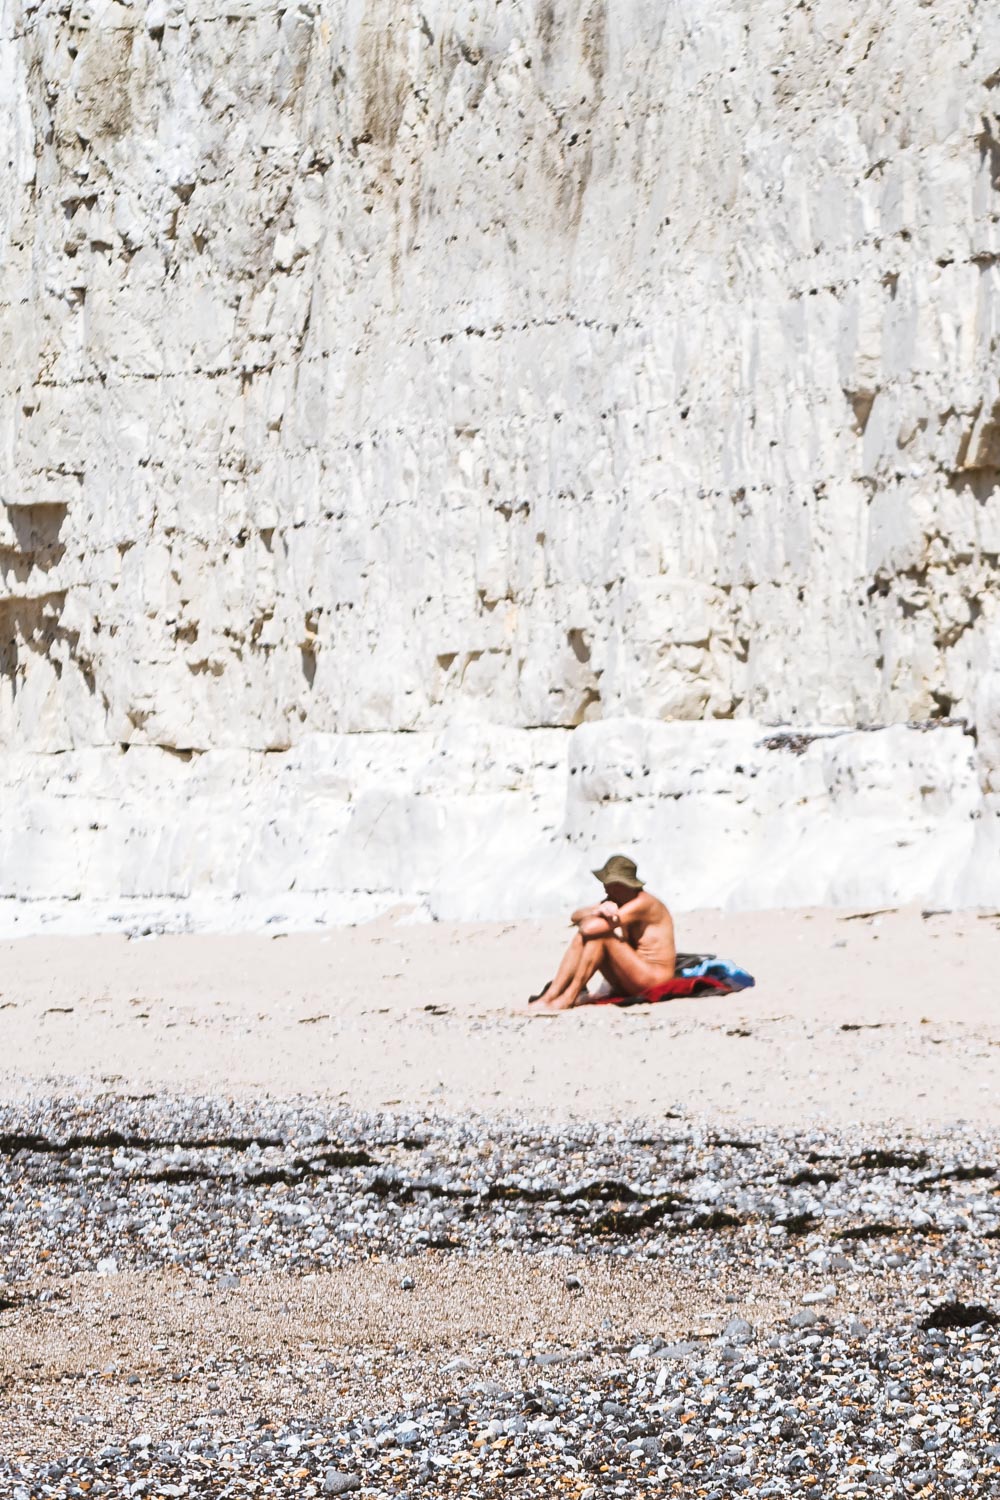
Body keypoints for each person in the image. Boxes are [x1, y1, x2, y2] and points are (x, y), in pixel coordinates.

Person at [529, 854, 676, 1013]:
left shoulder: (642, 903)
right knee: (584, 937)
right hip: (633, 976)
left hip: (654, 979)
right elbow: (575, 916)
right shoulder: (617, 901)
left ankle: (569, 997)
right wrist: (597, 909)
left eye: (608, 883)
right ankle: (550, 996)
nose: (605, 888)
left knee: (602, 936)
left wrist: (597, 913)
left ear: (620, 885)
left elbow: (588, 928)